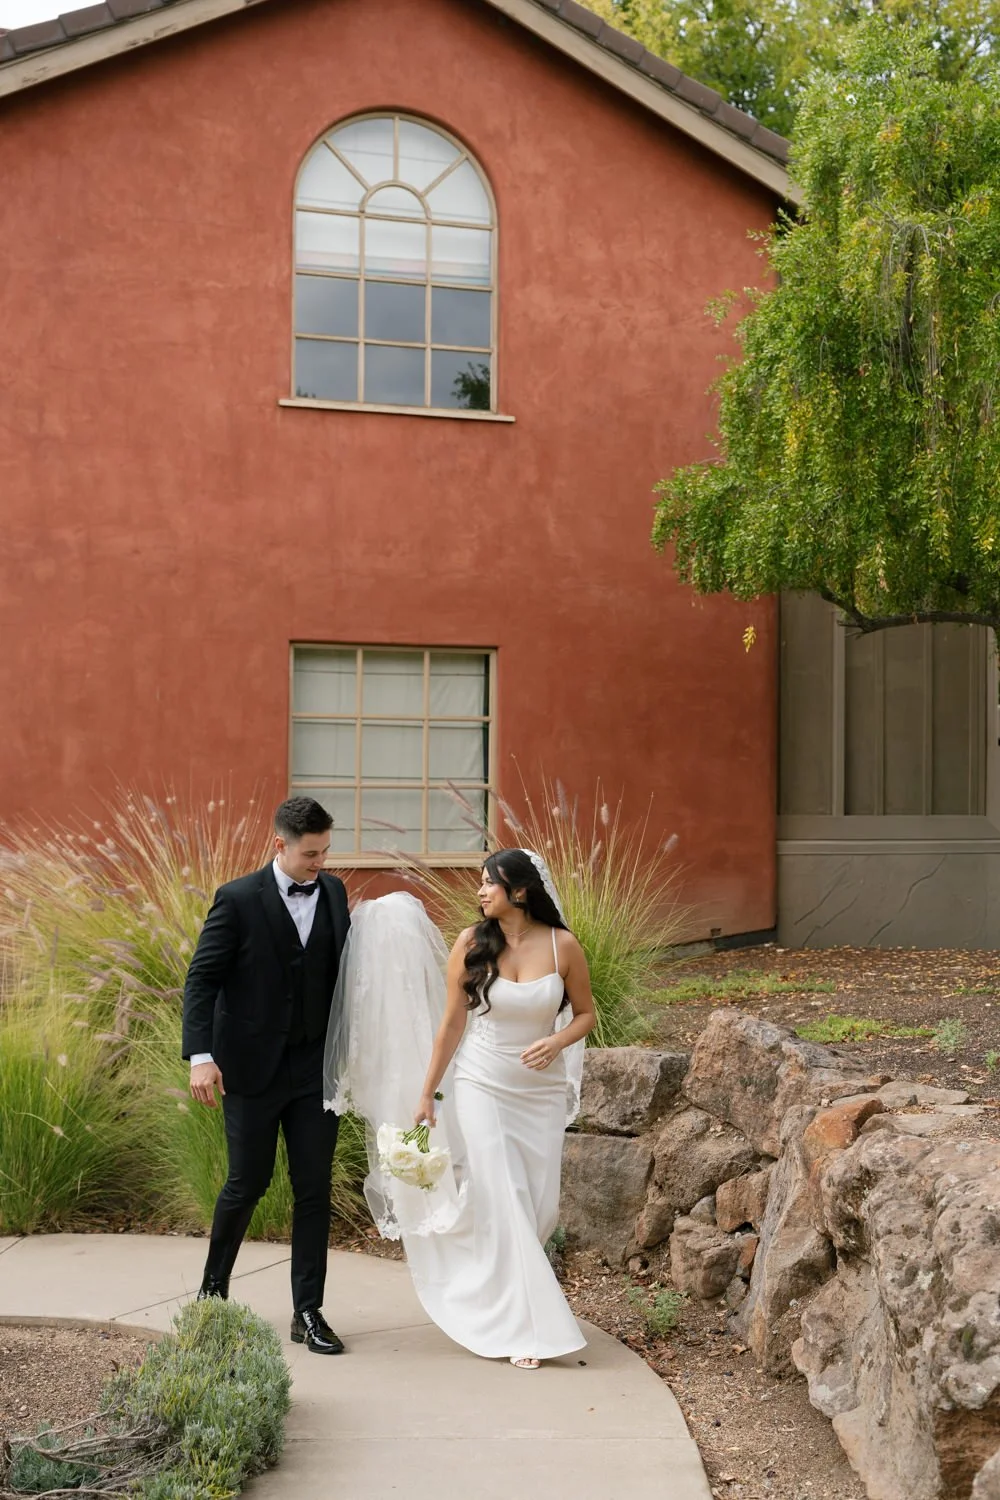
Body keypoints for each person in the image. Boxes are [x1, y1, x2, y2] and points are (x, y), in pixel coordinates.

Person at [325, 848, 596, 1370]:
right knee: (505, 1194)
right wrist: (427, 1092)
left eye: (490, 882)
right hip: (481, 1083)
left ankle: (484, 1293)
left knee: (540, 1208)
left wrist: (557, 1041)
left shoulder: (562, 946)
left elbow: (585, 1013)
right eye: (481, 882)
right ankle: (527, 1330)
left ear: (520, 891)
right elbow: (451, 1024)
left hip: (539, 1091)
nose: (481, 891)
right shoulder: (472, 944)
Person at [182, 795, 350, 1354]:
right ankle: (212, 1294)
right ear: (280, 844)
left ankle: (308, 1311)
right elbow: (202, 980)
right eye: (310, 854)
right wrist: (200, 1057)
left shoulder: (333, 893)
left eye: (325, 852)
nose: (320, 863)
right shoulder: (236, 899)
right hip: (251, 1068)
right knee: (247, 1182)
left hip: (315, 1069)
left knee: (313, 1189)